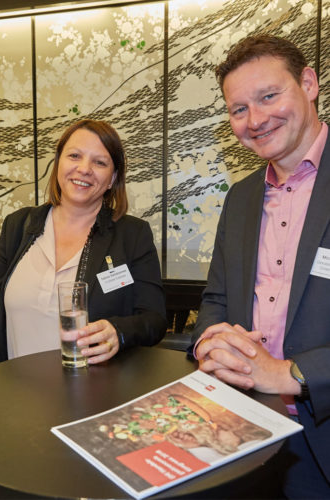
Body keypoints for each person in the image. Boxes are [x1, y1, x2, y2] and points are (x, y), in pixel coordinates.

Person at [191, 34, 330, 498]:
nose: (256, 119)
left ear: (308, 83)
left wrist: (293, 374)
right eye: (239, 109)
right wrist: (212, 343)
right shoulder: (241, 197)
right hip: (244, 427)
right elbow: (215, 298)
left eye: (269, 96)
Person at [0, 119, 166, 367]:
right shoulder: (18, 226)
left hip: (94, 398)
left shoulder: (132, 235)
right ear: (58, 164)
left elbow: (154, 319)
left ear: (112, 178)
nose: (84, 169)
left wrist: (118, 331)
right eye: (75, 156)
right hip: (15, 396)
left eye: (100, 162)